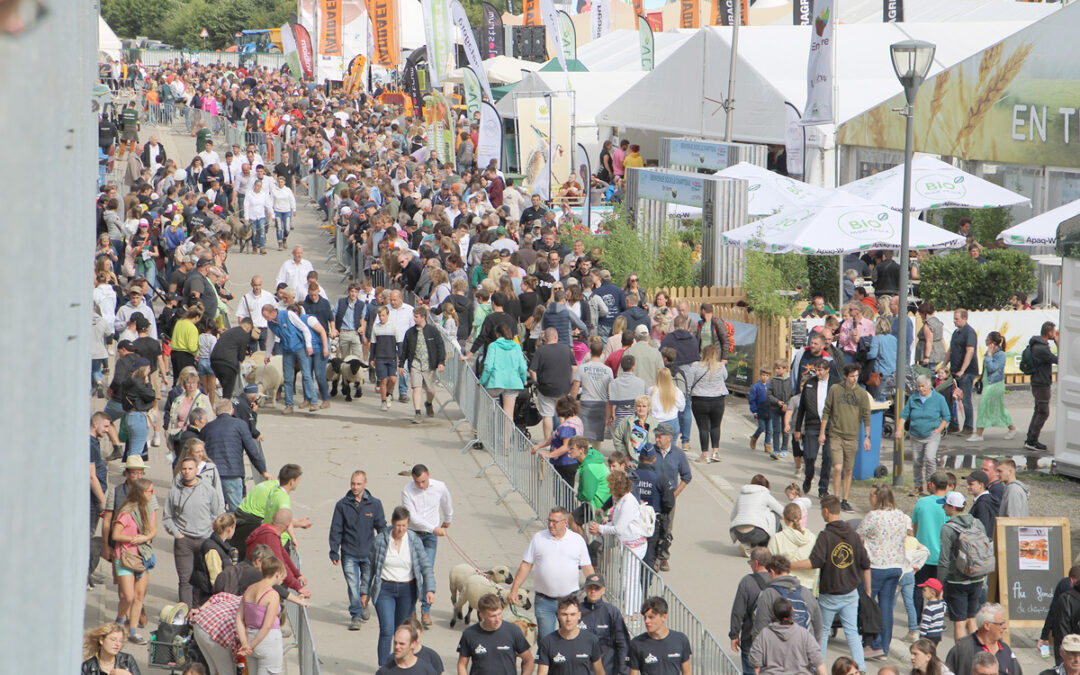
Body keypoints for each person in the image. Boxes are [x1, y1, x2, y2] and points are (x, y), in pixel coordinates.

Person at [791, 496, 872, 674]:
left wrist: (789, 565)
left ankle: (818, 668)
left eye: (822, 510)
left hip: (830, 594)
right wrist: (867, 591)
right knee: (852, 632)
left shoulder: (826, 536)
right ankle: (861, 668)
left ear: (826, 511)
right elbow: (866, 564)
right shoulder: (853, 535)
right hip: (851, 592)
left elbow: (814, 562)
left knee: (823, 631)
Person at [360, 506, 436, 666]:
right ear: (393, 523)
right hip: (384, 589)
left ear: (408, 524)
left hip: (407, 590)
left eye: (404, 525)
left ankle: (398, 665)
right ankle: (383, 667)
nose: (401, 529)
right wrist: (364, 591)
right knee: (387, 630)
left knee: (401, 632)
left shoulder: (414, 540)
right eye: (398, 525)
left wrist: (430, 589)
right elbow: (370, 567)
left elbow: (425, 566)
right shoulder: (381, 540)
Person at [508, 506, 594, 639]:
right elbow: (526, 565)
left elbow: (587, 567)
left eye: (554, 521)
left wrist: (594, 589)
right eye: (549, 520)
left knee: (569, 638)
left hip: (569, 601)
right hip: (544, 601)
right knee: (545, 639)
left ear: (565, 522)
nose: (550, 524)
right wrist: (514, 589)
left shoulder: (577, 540)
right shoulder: (538, 538)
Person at [163, 456, 227, 607]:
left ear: (196, 470)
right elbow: (167, 517)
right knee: (185, 580)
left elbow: (219, 512)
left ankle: (203, 611)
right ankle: (184, 614)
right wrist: (177, 534)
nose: (187, 472)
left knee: (206, 578)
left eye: (190, 468)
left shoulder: (208, 489)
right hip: (184, 541)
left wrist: (213, 533)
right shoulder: (174, 491)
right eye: (184, 469)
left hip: (205, 540)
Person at [329, 470, 387, 630]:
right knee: (353, 586)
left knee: (366, 585)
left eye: (358, 484)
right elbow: (336, 529)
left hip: (369, 553)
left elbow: (381, 527)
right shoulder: (342, 505)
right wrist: (334, 550)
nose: (355, 487)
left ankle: (364, 603)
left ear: (365, 484)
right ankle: (355, 615)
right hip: (349, 553)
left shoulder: (375, 504)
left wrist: (386, 547)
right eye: (353, 483)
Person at [857, 485, 910, 659]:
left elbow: (858, 536)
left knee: (868, 605)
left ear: (878, 498)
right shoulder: (901, 516)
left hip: (876, 566)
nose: (869, 498)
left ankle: (874, 644)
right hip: (895, 565)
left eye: (871, 495)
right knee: (886, 607)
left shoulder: (874, 516)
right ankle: (884, 648)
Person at [400, 464, 453, 628]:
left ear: (428, 475)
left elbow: (446, 503)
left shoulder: (440, 487)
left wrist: (447, 519)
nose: (421, 485)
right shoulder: (407, 491)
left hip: (430, 537)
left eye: (423, 481)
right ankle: (411, 609)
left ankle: (426, 610)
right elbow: (413, 518)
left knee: (427, 569)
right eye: (417, 482)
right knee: (411, 571)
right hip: (414, 534)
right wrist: (434, 528)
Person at [588, 471, 647, 611]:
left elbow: (618, 528)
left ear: (618, 487)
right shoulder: (621, 500)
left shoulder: (628, 502)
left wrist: (600, 528)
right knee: (629, 580)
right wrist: (602, 527)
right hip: (628, 544)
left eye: (611, 485)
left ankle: (631, 613)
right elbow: (616, 523)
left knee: (629, 581)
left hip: (634, 546)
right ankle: (632, 611)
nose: (608, 487)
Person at [202, 397, 269, 512]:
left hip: (212, 474)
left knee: (214, 511)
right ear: (232, 411)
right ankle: (234, 529)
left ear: (215, 412)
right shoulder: (240, 425)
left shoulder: (207, 428)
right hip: (233, 473)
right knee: (236, 511)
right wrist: (263, 471)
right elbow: (251, 450)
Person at [111, 477, 157, 645]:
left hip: (142, 558)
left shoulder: (150, 509)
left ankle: (132, 631)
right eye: (149, 491)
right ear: (141, 492)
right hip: (125, 557)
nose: (152, 494)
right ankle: (119, 620)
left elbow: (153, 531)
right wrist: (133, 539)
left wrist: (145, 537)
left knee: (139, 596)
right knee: (128, 596)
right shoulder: (127, 511)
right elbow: (116, 535)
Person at [820, 363, 871, 512]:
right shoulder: (835, 389)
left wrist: (867, 437)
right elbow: (826, 411)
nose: (854, 379)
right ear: (845, 376)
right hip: (836, 434)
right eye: (852, 376)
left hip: (852, 437)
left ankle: (845, 499)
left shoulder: (862, 394)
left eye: (856, 376)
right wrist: (823, 432)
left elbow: (866, 416)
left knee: (848, 470)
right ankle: (835, 497)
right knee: (837, 467)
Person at [937, 491, 988, 641]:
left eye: (945, 505)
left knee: (959, 623)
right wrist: (983, 574)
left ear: (952, 507)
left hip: (956, 580)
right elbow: (984, 550)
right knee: (971, 618)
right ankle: (975, 654)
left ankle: (961, 657)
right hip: (977, 578)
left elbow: (944, 560)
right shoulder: (977, 523)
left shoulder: (947, 529)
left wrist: (939, 584)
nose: (943, 508)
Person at [896, 375, 951, 497]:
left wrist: (939, 430)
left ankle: (931, 485)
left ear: (929, 386)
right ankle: (918, 485)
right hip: (916, 435)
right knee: (917, 461)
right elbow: (904, 415)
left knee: (930, 458)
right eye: (919, 386)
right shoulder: (913, 398)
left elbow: (946, 416)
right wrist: (899, 430)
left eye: (923, 386)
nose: (921, 389)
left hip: (931, 435)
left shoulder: (939, 399)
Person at [456, 593, 534, 675]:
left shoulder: (513, 631)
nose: (497, 619)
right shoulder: (469, 634)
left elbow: (529, 660)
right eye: (492, 616)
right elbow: (462, 664)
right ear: (481, 615)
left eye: (499, 614)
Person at [262, 303, 319, 414]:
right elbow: (270, 340)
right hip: (287, 349)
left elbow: (304, 328)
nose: (266, 319)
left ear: (273, 312)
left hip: (299, 347)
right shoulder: (270, 324)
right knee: (287, 377)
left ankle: (314, 401)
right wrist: (267, 355)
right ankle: (289, 405)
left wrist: (308, 345)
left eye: (266, 316)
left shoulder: (288, 314)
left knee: (306, 375)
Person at [751, 555, 823, 642]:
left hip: (778, 648)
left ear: (772, 572)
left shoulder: (769, 593)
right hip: (803, 647)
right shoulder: (807, 593)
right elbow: (818, 626)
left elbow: (761, 626)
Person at [749, 596, 826, 675]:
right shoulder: (804, 634)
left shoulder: (764, 634)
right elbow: (818, 661)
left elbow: (755, 660)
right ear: (792, 610)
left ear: (773, 614)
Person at [236, 556, 287, 675]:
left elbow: (239, 618)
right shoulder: (272, 594)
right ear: (277, 574)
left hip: (249, 635)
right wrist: (251, 645)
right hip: (267, 641)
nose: (282, 580)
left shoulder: (249, 589)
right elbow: (267, 625)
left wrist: (245, 643)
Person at [653, 423, 692, 572]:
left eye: (660, 436)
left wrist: (674, 495)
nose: (657, 439)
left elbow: (687, 477)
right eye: (656, 436)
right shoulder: (650, 450)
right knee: (651, 527)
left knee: (666, 528)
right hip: (652, 497)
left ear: (669, 438)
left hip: (669, 498)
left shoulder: (678, 454)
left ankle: (663, 557)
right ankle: (652, 558)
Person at [793, 360, 834, 498]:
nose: (818, 373)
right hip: (812, 424)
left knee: (827, 458)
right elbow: (802, 409)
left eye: (821, 370)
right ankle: (808, 476)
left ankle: (823, 488)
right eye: (816, 370)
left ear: (827, 370)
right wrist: (798, 428)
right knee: (810, 456)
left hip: (830, 426)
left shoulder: (835, 384)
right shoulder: (810, 384)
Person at [399, 306, 446, 423]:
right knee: (416, 388)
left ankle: (428, 403)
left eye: (416, 317)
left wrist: (441, 362)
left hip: (429, 365)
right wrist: (401, 364)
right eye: (414, 316)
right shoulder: (410, 333)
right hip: (415, 364)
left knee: (431, 390)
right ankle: (418, 413)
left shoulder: (432, 331)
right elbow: (404, 349)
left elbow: (440, 346)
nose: (414, 319)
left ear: (423, 317)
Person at [945, 603, 1022, 675]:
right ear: (987, 626)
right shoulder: (962, 649)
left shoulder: (1005, 649)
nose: (1005, 627)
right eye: (1001, 624)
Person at [730, 547, 773, 675]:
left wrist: (734, 635)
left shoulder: (747, 581)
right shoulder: (777, 580)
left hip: (751, 636)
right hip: (774, 636)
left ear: (756, 563)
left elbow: (738, 611)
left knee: (750, 671)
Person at [683, 344, 729, 464]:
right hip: (718, 400)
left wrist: (687, 395)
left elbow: (689, 382)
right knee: (716, 426)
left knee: (703, 428)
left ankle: (704, 455)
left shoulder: (695, 366)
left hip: (700, 400)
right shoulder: (720, 366)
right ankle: (715, 452)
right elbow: (725, 377)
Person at [537, 595, 604, 675]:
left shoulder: (591, 640)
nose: (569, 619)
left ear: (579, 615)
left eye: (573, 614)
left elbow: (600, 672)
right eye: (564, 614)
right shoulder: (547, 642)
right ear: (558, 615)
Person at [969, 332, 1016, 441]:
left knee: (983, 406)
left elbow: (992, 368)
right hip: (987, 384)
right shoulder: (988, 352)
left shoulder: (1000, 355)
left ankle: (979, 434)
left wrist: (989, 356)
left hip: (995, 384)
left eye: (987, 338)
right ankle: (1012, 428)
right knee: (998, 408)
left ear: (993, 342)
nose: (985, 340)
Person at [579, 574, 630, 675]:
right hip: (581, 668)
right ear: (585, 588)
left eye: (597, 588)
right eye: (590, 587)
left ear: (603, 590)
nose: (593, 591)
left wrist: (623, 671)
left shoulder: (612, 612)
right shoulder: (576, 611)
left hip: (607, 668)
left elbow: (623, 644)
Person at [628, 596, 692, 675]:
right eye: (645, 617)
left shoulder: (681, 640)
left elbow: (687, 672)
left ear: (664, 617)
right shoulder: (636, 643)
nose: (646, 621)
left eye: (651, 617)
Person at [189, 512, 237, 607]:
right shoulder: (212, 549)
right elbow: (215, 579)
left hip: (208, 595)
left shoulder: (220, 546)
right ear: (229, 529)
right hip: (205, 597)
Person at [768, 503, 818, 593]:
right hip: (807, 587)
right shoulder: (812, 538)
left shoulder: (777, 538)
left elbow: (769, 565)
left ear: (785, 518)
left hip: (783, 585)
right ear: (800, 517)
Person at [1025, 321, 1058, 451]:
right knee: (1043, 412)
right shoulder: (1042, 348)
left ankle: (1030, 439)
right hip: (1041, 382)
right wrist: (1057, 342)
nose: (1055, 334)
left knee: (1039, 410)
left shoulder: (1037, 344)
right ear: (1049, 332)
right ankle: (1032, 441)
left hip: (1038, 381)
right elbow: (1059, 359)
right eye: (1054, 332)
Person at [729, 474, 785, 550]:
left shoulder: (741, 495)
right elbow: (783, 512)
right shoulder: (764, 494)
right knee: (774, 515)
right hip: (755, 533)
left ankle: (748, 545)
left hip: (738, 534)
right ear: (765, 485)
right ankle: (767, 548)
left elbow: (732, 517)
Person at [949, 309, 979, 435]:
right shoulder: (956, 332)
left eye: (957, 318)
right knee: (951, 398)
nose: (954, 321)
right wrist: (944, 365)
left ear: (964, 318)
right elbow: (950, 350)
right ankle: (953, 424)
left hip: (967, 372)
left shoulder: (969, 332)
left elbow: (970, 351)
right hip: (954, 371)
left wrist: (962, 370)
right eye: (954, 318)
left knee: (965, 399)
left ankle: (968, 426)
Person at [915, 302, 946, 371]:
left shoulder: (928, 324)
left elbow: (929, 341)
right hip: (938, 352)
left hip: (931, 355)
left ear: (924, 313)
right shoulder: (937, 322)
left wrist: (926, 357)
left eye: (920, 314)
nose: (920, 316)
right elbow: (941, 338)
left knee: (928, 374)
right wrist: (944, 351)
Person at [749, 368, 774, 453]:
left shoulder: (770, 386)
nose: (765, 377)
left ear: (769, 377)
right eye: (763, 375)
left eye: (767, 376)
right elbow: (752, 400)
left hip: (770, 411)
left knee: (769, 429)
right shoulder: (755, 387)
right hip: (760, 411)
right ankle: (754, 438)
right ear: (760, 375)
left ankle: (767, 445)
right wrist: (754, 411)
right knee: (762, 427)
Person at [918, 579, 947, 644]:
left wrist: (921, 638)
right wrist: (941, 597)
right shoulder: (941, 604)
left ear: (932, 593)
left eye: (924, 590)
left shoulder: (929, 608)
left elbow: (925, 625)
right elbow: (945, 606)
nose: (922, 591)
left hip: (929, 636)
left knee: (925, 652)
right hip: (938, 635)